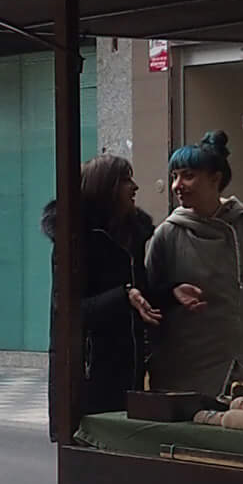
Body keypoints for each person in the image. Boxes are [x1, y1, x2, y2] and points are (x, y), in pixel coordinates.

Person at [141, 132, 243, 396]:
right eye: (174, 176)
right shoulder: (167, 233)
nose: (177, 185)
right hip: (178, 377)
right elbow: (149, 301)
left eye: (188, 176)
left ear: (215, 178)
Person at [46, 155, 161, 418]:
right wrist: (123, 296)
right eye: (125, 180)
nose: (135, 187)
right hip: (89, 378)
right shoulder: (74, 240)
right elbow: (69, 310)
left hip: (129, 373)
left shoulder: (131, 236)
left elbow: (140, 294)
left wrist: (172, 292)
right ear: (105, 188)